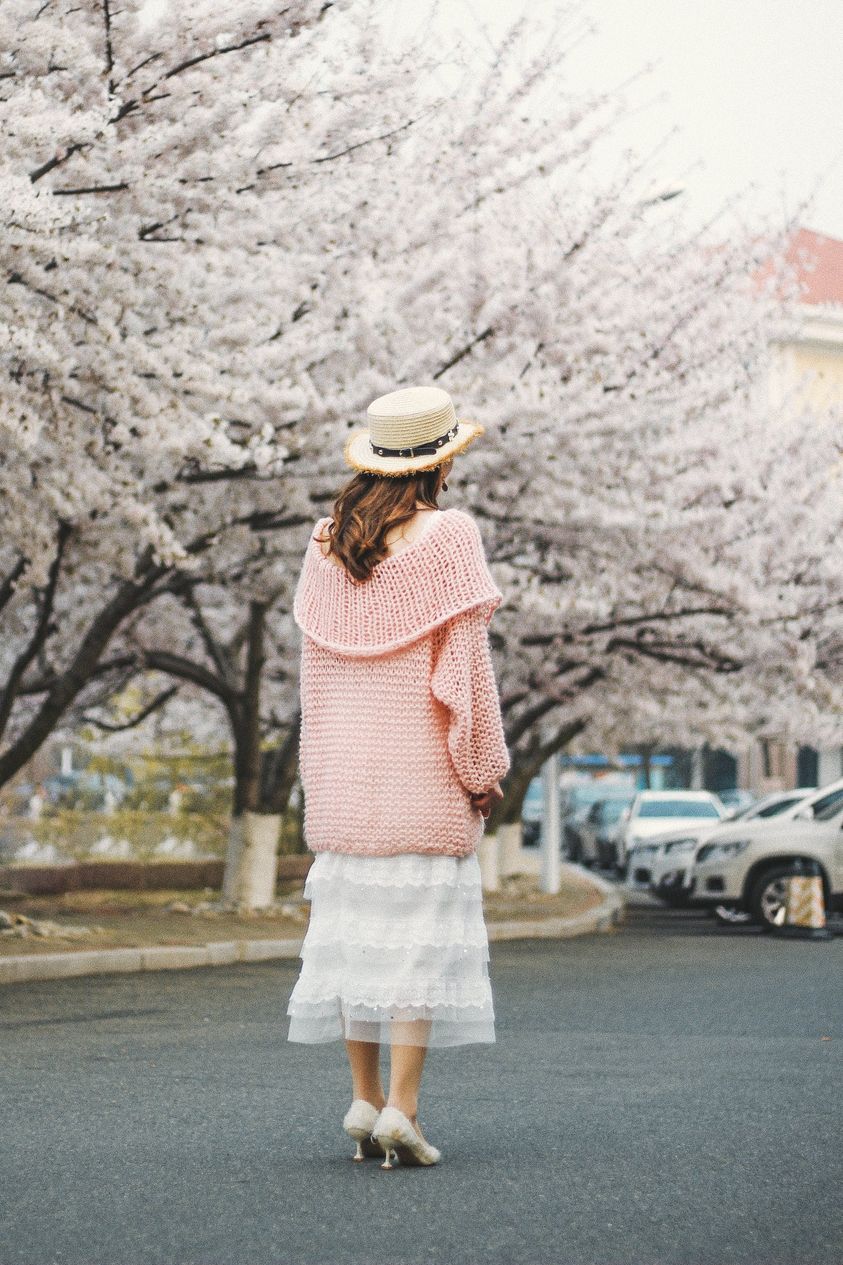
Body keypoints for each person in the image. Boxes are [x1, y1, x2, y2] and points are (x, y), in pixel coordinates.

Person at [285, 385, 510, 1169]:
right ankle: (402, 1111)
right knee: (416, 949)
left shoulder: (324, 543)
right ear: (439, 462)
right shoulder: (450, 536)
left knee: (356, 943)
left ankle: (361, 1094)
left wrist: (321, 775)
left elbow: (313, 682)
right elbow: (464, 675)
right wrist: (482, 769)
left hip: (343, 780)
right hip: (420, 778)